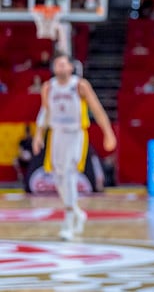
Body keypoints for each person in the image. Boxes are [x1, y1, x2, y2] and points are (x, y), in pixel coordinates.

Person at [31, 52, 117, 241]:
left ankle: (69, 218)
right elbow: (44, 112)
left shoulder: (80, 85)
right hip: (56, 134)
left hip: (76, 134)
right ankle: (77, 211)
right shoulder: (48, 87)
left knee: (69, 172)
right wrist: (38, 136)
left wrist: (108, 133)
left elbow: (97, 109)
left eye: (63, 64)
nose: (60, 68)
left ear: (71, 67)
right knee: (58, 177)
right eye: (57, 65)